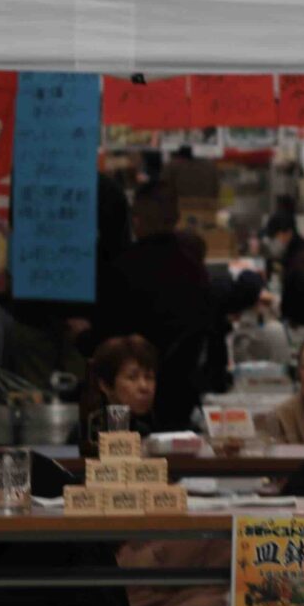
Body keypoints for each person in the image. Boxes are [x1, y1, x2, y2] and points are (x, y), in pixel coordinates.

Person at [94, 185, 222, 432]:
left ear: (136, 220)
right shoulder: (195, 269)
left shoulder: (123, 268)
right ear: (175, 219)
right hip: (184, 394)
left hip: (131, 407)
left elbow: (105, 335)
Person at [82, 334, 160, 435]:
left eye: (149, 377)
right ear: (105, 385)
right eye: (132, 377)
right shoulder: (88, 433)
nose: (144, 386)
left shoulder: (146, 431)